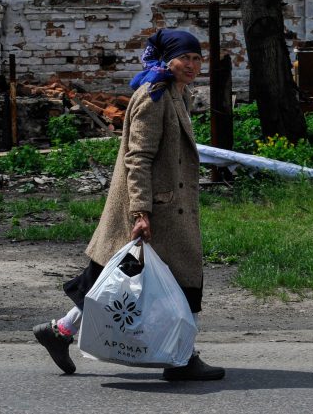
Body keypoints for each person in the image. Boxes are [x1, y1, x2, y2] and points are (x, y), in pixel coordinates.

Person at [33, 28, 224, 380]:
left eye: (198, 58)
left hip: (166, 206)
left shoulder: (176, 93)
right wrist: (140, 212)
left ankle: (59, 332)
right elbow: (138, 158)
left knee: (113, 281)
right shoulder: (154, 96)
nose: (193, 65)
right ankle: (183, 359)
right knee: (178, 284)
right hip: (156, 209)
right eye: (186, 58)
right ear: (168, 59)